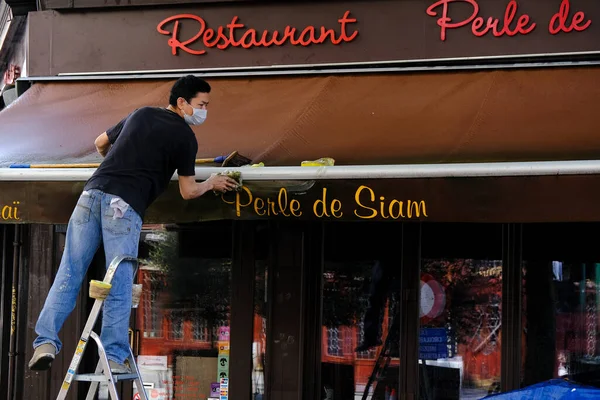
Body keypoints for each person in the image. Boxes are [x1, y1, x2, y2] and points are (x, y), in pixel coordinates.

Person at [28, 75, 239, 373]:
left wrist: (118, 161)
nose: (205, 111)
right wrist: (212, 183)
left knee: (70, 270)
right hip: (123, 206)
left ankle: (45, 342)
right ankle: (113, 358)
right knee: (120, 280)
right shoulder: (185, 138)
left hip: (91, 194)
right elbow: (188, 191)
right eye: (202, 104)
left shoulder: (141, 113)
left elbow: (101, 143)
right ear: (182, 103)